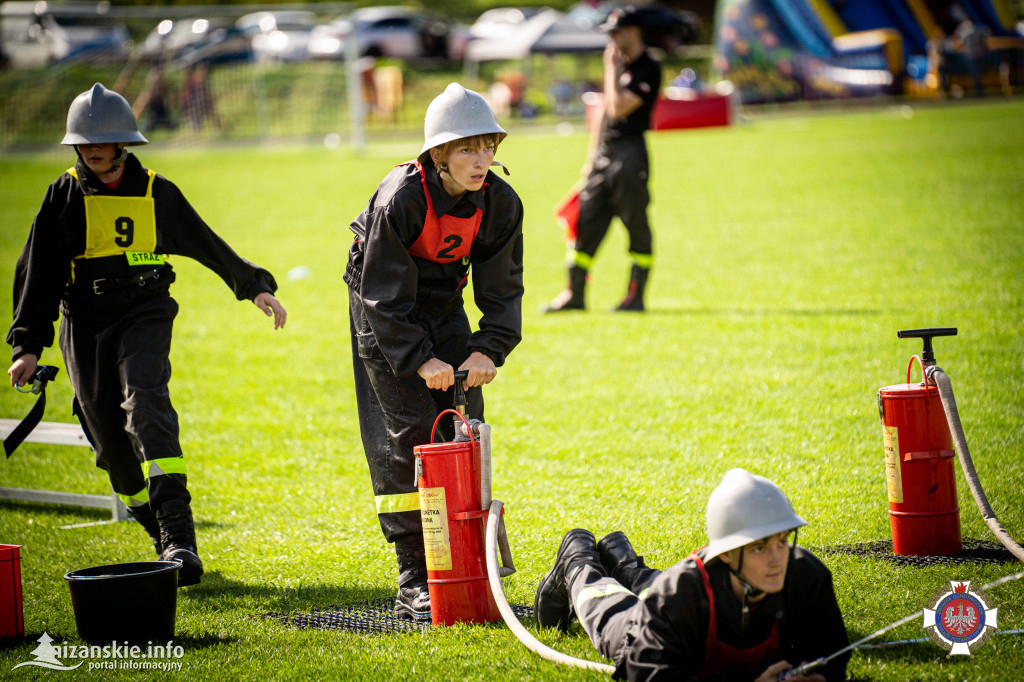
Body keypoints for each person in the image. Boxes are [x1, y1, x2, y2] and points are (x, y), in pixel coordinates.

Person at [6, 83, 287, 587]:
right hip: (83, 320)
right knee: (110, 443)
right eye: (85, 142)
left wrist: (253, 288)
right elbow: (39, 271)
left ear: (123, 145)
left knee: (147, 404)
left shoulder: (157, 190)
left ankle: (181, 537)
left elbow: (205, 242)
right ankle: (158, 535)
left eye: (103, 141)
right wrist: (27, 344)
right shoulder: (63, 195)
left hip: (145, 310)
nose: (93, 150)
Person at [344, 83, 524, 621]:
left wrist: (489, 349)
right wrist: (419, 358)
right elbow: (381, 294)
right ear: (438, 154)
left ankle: (474, 562)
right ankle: (414, 579)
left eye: (488, 147)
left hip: (444, 305)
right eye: (467, 149)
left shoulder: (500, 202)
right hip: (384, 313)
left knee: (465, 430)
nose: (481, 160)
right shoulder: (401, 197)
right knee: (409, 437)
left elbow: (502, 289)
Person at [534, 469, 850, 681]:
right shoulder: (677, 596)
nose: (777, 559)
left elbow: (830, 656)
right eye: (759, 548)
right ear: (725, 553)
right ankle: (576, 561)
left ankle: (625, 564)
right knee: (609, 609)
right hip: (655, 615)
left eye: (783, 541)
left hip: (685, 596)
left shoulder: (806, 578)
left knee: (664, 593)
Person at [544, 5, 661, 313]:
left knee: (636, 225)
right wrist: (590, 159)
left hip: (630, 155)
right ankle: (575, 295)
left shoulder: (649, 68)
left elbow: (617, 108)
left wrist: (610, 69)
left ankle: (635, 297)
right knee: (584, 223)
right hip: (604, 155)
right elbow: (601, 114)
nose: (611, 39)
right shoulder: (620, 64)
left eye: (615, 32)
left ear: (633, 32)